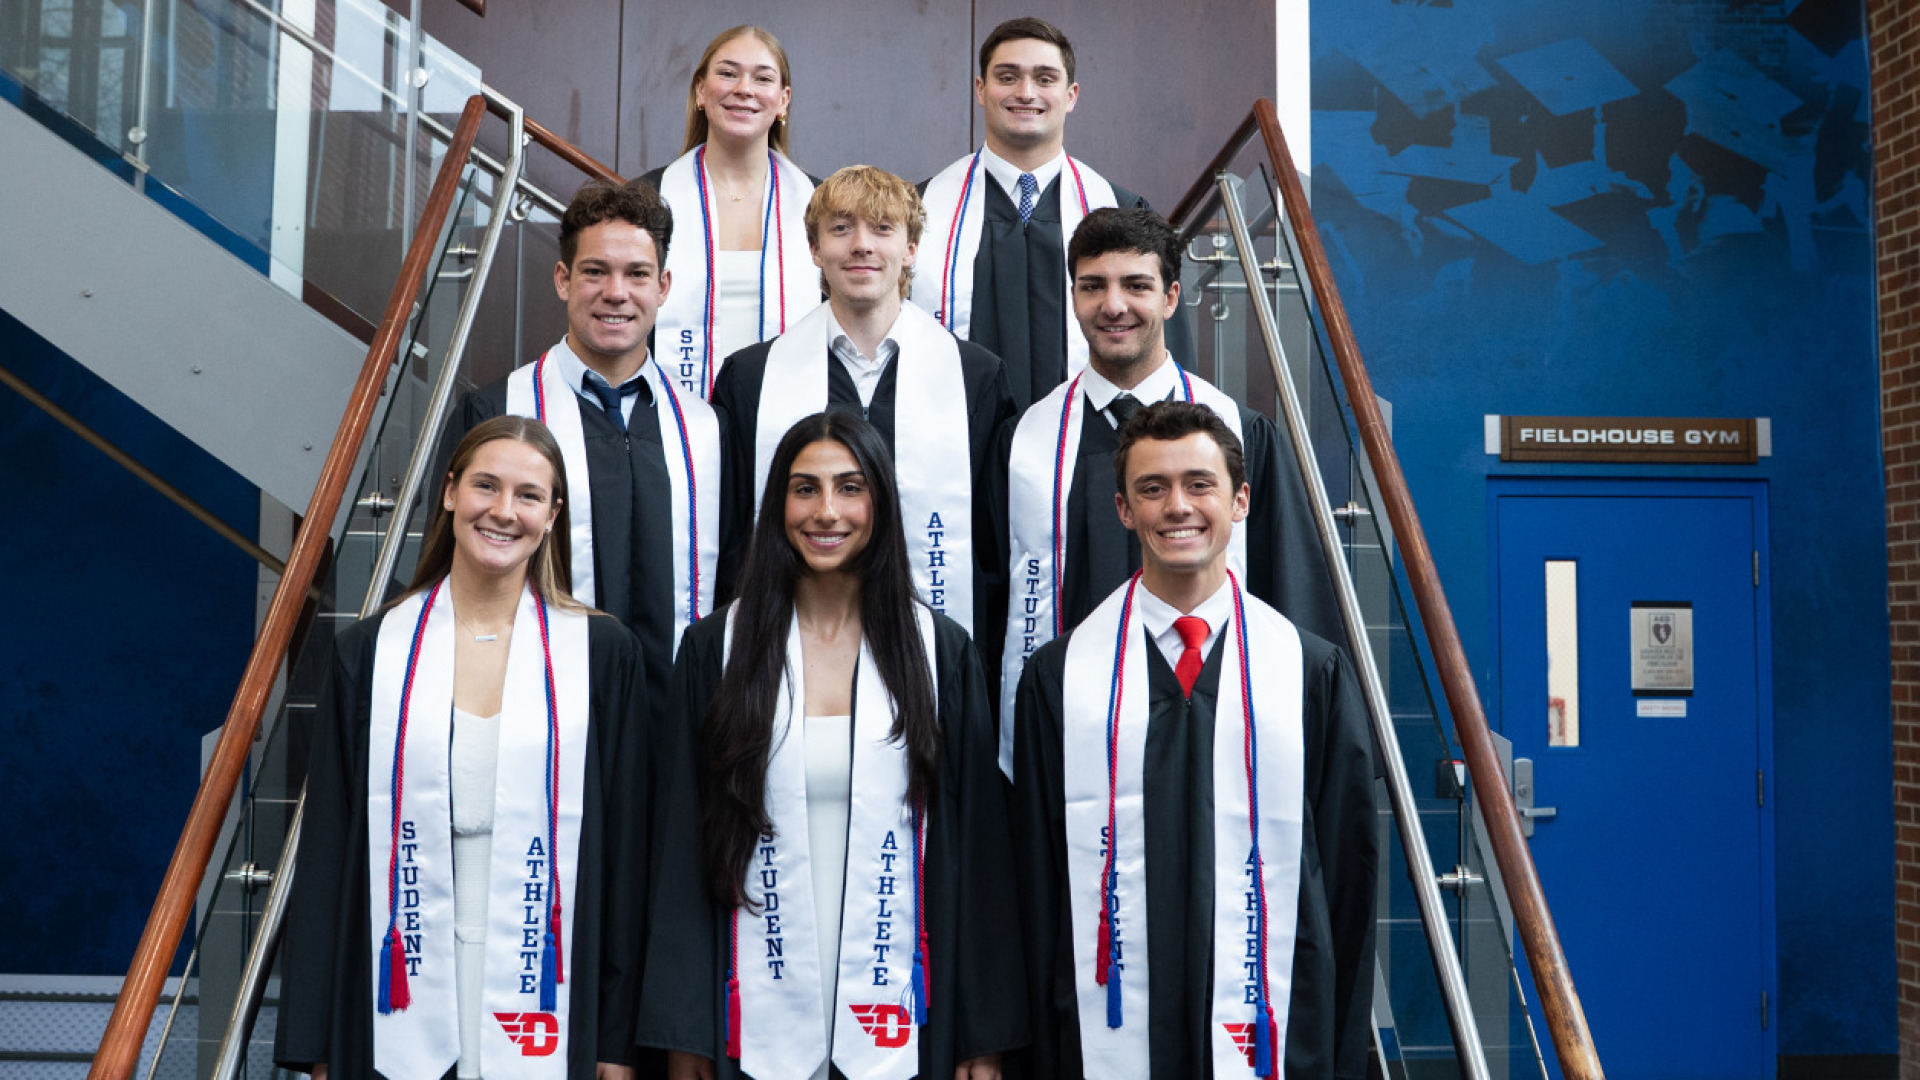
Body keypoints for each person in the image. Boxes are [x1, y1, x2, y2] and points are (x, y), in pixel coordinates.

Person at [638, 412, 1026, 1080]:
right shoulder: (717, 652)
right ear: (776, 505)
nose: (826, 512)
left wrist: (979, 1035)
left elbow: (979, 854)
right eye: (804, 488)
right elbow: (682, 846)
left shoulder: (940, 655)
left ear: (879, 500)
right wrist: (686, 1033)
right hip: (751, 997)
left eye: (850, 488)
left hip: (901, 999)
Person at [1009, 401, 1377, 1080]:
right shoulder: (1060, 678)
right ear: (1124, 510)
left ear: (1240, 501)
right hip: (1101, 1033)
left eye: (1199, 485)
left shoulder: (1308, 671)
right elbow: (1035, 880)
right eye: (1153, 489)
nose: (1178, 506)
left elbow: (1348, 884)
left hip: (1275, 1032)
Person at [276, 416, 650, 1080]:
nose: (504, 512)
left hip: (552, 980)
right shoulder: (370, 652)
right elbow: (328, 850)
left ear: (553, 513)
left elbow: (625, 855)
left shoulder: (601, 654)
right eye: (485, 486)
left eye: (529, 495)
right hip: (397, 979)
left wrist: (616, 1042)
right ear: (449, 492)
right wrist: (316, 1040)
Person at [986, 207, 1341, 759]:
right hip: (1070, 742)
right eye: (1093, 286)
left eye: (1137, 285)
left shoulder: (1241, 435)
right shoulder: (1023, 443)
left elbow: (1291, 598)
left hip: (1217, 740)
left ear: (1172, 297)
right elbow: (992, 605)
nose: (1113, 305)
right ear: (1073, 297)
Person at [440, 177, 722, 712]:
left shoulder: (705, 430)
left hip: (679, 731)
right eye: (595, 271)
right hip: (534, 718)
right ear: (563, 279)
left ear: (662, 287)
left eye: (637, 274)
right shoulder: (500, 415)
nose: (616, 292)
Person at [712, 165, 1014, 637]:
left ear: (911, 249)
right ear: (815, 249)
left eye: (882, 228)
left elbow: (993, 549)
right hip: (789, 644)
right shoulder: (752, 377)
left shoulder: (974, 377)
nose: (861, 245)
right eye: (840, 228)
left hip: (931, 641)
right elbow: (733, 541)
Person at [911, 16, 1193, 411]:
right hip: (959, 444)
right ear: (980, 89)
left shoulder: (1123, 211)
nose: (1026, 92)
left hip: (1089, 449)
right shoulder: (918, 211)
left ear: (1071, 94)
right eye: (1007, 77)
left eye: (1045, 79)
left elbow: (1162, 355)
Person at [644, 25, 820, 400]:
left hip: (792, 419)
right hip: (672, 411)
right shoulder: (647, 199)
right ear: (701, 91)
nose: (744, 88)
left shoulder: (821, 205)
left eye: (762, 78)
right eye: (727, 73)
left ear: (783, 99)